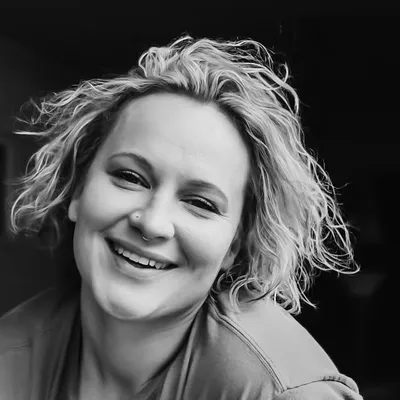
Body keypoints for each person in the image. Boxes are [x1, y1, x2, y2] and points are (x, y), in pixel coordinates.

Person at [0, 35, 363, 399]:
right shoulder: (10, 356)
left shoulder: (279, 393)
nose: (152, 223)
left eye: (201, 203)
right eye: (130, 177)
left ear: (235, 245)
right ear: (78, 190)